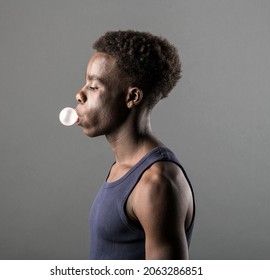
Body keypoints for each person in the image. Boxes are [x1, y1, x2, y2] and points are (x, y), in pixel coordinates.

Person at [74, 30, 195, 260]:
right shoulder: (121, 168)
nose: (79, 95)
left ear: (132, 97)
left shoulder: (156, 182)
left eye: (93, 86)